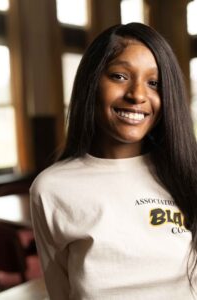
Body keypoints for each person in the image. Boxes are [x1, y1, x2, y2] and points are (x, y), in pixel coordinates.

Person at [30, 22, 197, 299]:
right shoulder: (51, 189)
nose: (137, 95)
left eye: (154, 83)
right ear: (92, 83)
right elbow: (61, 292)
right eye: (120, 76)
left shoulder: (188, 175)